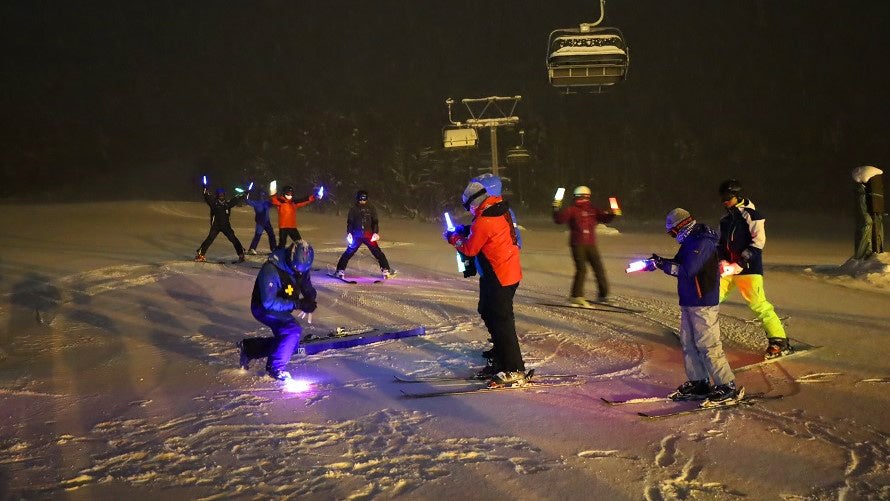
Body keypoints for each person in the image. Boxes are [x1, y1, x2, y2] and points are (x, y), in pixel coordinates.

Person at [644, 208, 740, 404]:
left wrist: (663, 265)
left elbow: (688, 270)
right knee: (688, 344)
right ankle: (699, 382)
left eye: (672, 232)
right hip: (689, 300)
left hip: (703, 301)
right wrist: (658, 262)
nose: (673, 236)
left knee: (708, 345)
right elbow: (679, 263)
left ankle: (726, 384)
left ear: (681, 226)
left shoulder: (702, 241)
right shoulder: (690, 241)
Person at [444, 177, 525, 387]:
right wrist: (467, 231)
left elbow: (470, 248)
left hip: (499, 276)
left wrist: (454, 238)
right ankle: (500, 356)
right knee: (486, 310)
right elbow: (502, 236)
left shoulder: (485, 220)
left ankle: (514, 368)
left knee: (502, 321)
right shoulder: (501, 210)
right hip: (502, 273)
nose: (471, 205)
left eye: (473, 200)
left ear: (485, 196)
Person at [716, 179, 790, 359]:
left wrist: (740, 263)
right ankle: (700, 334)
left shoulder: (751, 215)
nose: (725, 201)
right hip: (727, 270)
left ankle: (779, 340)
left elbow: (758, 243)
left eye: (728, 197)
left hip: (748, 269)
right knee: (710, 299)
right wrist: (723, 261)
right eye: (722, 198)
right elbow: (720, 244)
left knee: (758, 304)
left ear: (737, 196)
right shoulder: (725, 220)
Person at [237, 242, 317, 380]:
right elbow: (268, 302)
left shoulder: (300, 268)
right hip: (262, 307)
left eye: (302, 271)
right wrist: (297, 304)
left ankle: (250, 348)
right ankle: (276, 369)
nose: (300, 273)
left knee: (290, 343)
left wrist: (310, 299)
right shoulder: (271, 270)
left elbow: (306, 286)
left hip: (281, 305)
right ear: (290, 259)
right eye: (297, 269)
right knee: (292, 330)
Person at [552, 185, 618, 307]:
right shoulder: (573, 209)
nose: (584, 199)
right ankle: (576, 296)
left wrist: (612, 213)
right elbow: (559, 219)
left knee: (598, 269)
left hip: (590, 243)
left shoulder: (591, 209)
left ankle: (603, 295)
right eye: (582, 197)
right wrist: (556, 208)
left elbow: (604, 218)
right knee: (582, 269)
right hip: (578, 244)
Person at [334, 190, 396, 279]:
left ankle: (340, 270)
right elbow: (374, 222)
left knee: (348, 253)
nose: (362, 200)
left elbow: (350, 222)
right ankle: (385, 270)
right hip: (366, 235)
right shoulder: (369, 208)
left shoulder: (355, 208)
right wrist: (374, 232)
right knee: (377, 253)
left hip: (359, 235)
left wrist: (350, 233)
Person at [195, 186, 246, 262]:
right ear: (217, 195)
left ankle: (241, 254)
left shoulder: (227, 204)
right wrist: (205, 191)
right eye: (220, 195)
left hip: (226, 226)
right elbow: (207, 197)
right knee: (210, 239)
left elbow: (236, 199)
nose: (221, 196)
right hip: (216, 226)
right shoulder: (214, 204)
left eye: (222, 195)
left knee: (233, 239)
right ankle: (200, 254)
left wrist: (244, 194)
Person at [851, 165, 884, 259]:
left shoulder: (867, 192)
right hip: (868, 210)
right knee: (867, 224)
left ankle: (871, 253)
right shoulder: (861, 192)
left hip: (873, 207)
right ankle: (863, 255)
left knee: (875, 224)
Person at [244, 188, 277, 254]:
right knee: (258, 235)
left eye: (263, 195)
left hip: (267, 222)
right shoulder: (256, 203)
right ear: (259, 196)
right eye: (261, 195)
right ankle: (252, 249)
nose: (262, 196)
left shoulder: (267, 202)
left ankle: (273, 248)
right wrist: (245, 195)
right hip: (260, 222)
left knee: (271, 235)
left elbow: (274, 202)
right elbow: (247, 201)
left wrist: (274, 195)